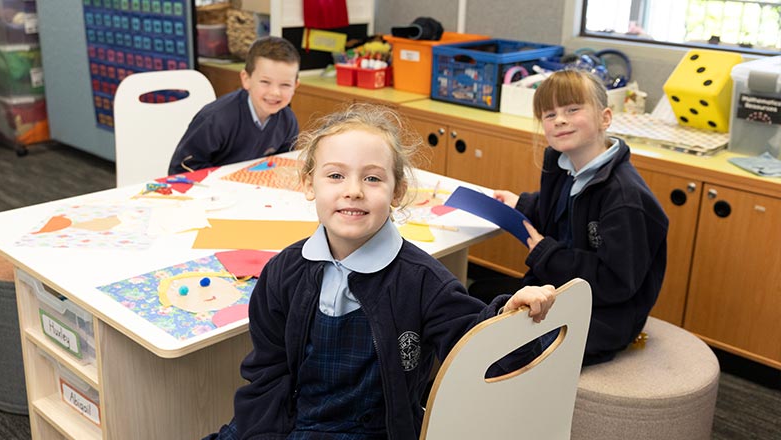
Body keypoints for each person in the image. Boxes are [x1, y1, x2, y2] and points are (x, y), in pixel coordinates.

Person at [208, 103, 557, 439]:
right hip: (288, 421)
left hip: (377, 430)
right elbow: (268, 373)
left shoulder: (422, 280)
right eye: (335, 175)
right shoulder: (284, 270)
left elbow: (478, 350)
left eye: (372, 178)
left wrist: (508, 319)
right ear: (308, 183)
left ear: (398, 190)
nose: (353, 191)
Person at [491, 69, 669, 366]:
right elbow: (562, 211)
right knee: (479, 311)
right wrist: (522, 203)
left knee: (510, 351)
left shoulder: (625, 198)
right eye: (550, 114)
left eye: (573, 110)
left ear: (605, 118)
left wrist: (546, 254)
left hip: (605, 315)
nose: (560, 120)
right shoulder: (564, 166)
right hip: (557, 291)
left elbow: (616, 283)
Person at [168, 36, 300, 174]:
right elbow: (181, 169)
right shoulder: (216, 119)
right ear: (246, 79)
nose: (275, 92)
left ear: (295, 85)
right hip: (211, 191)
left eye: (285, 85)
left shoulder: (288, 121)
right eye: (265, 82)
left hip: (255, 190)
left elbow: (281, 167)